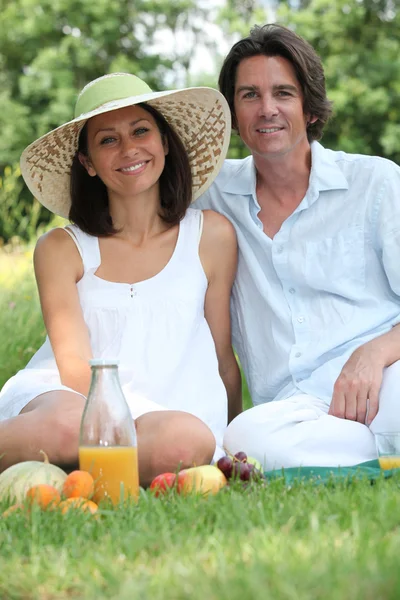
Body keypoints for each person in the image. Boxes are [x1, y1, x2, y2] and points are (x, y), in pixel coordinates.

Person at [0, 72, 242, 485]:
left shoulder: (211, 236)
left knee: (186, 443)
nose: (129, 149)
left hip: (164, 416)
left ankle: (54, 470)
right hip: (72, 402)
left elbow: (222, 358)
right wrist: (109, 431)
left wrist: (234, 444)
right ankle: (72, 462)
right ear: (88, 163)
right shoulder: (62, 248)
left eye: (141, 130)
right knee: (66, 428)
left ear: (165, 142)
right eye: (108, 139)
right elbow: (77, 371)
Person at [194, 23, 400, 470]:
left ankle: (353, 454)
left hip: (387, 378)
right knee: (243, 438)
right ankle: (378, 455)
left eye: (283, 93)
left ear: (309, 108)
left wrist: (375, 352)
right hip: (294, 410)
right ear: (233, 111)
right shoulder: (210, 196)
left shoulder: (375, 183)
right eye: (249, 95)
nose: (267, 109)